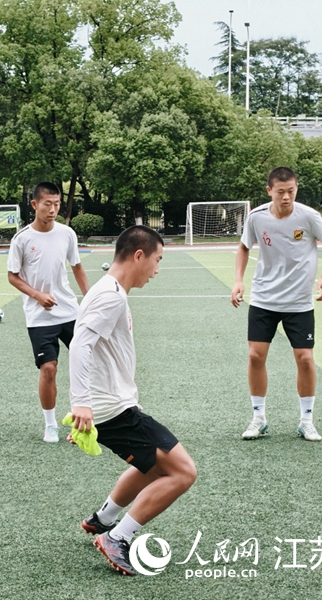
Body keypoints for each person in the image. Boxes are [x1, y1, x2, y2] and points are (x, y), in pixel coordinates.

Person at [69, 225, 196, 577]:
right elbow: (80, 345)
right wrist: (81, 404)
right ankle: (117, 537)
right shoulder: (110, 296)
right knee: (183, 472)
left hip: (111, 407)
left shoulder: (108, 290)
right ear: (139, 256)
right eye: (157, 260)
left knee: (151, 466)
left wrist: (87, 406)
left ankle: (103, 519)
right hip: (115, 411)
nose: (157, 269)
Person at [231, 166, 322, 442]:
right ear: (270, 191)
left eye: (291, 191)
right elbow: (244, 246)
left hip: (299, 301)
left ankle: (306, 421)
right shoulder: (257, 217)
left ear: (296, 189)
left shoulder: (309, 216)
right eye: (281, 192)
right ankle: (258, 418)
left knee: (305, 359)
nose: (287, 197)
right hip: (264, 298)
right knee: (255, 356)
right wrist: (238, 280)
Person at [7, 182, 89, 443]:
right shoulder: (22, 239)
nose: (53, 210)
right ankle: (51, 424)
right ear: (35, 205)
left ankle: (85, 417)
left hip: (70, 312)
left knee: (88, 363)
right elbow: (12, 276)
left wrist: (90, 299)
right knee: (49, 368)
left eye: (57, 204)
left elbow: (77, 267)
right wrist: (37, 295)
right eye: (47, 204)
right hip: (39, 317)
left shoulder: (67, 233)